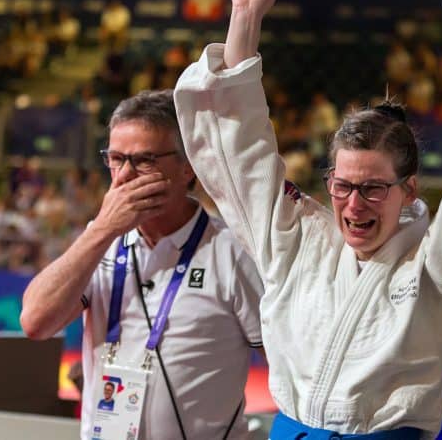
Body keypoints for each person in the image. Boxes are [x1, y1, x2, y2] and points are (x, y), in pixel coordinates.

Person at [174, 0, 442, 438]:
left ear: (408, 190)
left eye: (373, 188)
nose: (354, 204)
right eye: (342, 185)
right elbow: (238, 159)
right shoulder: (299, 243)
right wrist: (244, 20)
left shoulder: (438, 267)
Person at [20, 90, 264, 440]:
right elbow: (35, 322)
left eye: (144, 160)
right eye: (116, 159)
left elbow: (285, 365)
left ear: (188, 166)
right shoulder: (99, 241)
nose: (124, 176)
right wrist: (102, 229)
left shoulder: (232, 250)